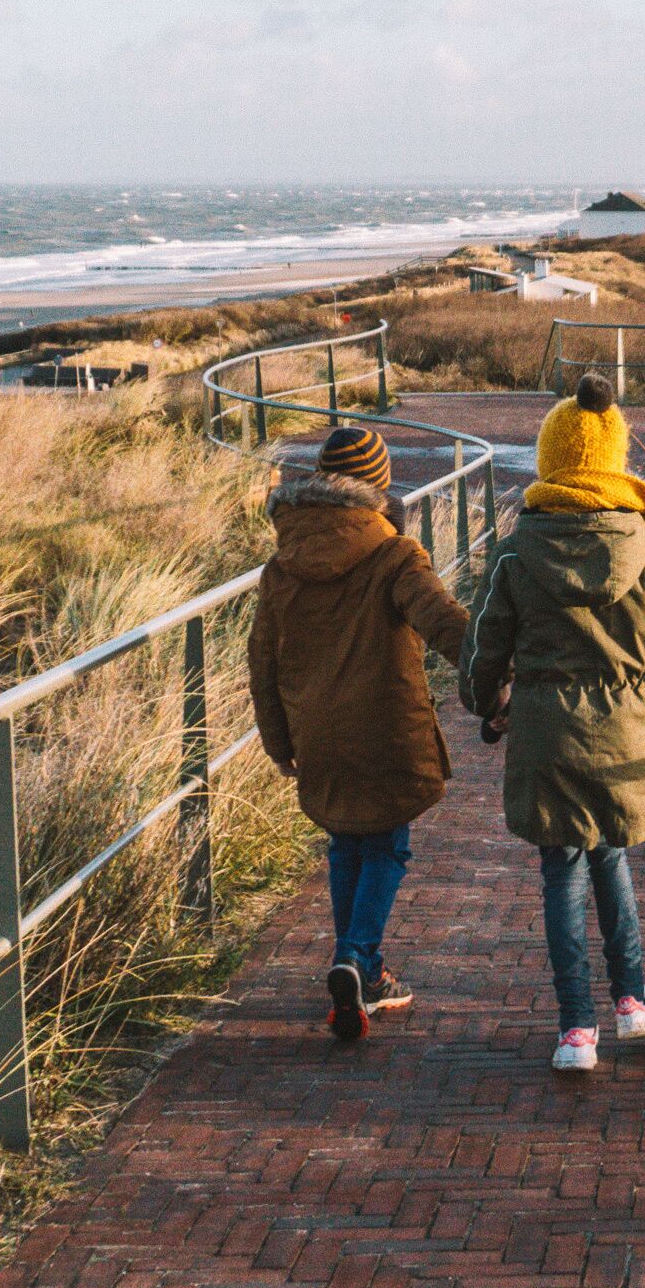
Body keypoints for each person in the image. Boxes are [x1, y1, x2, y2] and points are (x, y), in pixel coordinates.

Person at [460, 376, 645, 1073]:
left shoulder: (516, 550)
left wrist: (487, 705)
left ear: (551, 460)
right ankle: (632, 1000)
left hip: (544, 732)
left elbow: (482, 648)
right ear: (615, 460)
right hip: (623, 731)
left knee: (561, 871)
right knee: (611, 856)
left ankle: (574, 1030)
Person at [244, 419, 472, 1041]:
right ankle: (356, 958)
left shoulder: (280, 566)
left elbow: (260, 660)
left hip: (315, 729)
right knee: (388, 845)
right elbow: (443, 622)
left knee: (346, 844)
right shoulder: (393, 553)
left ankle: (363, 973)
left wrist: (278, 741)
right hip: (386, 727)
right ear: (378, 486)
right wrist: (493, 674)